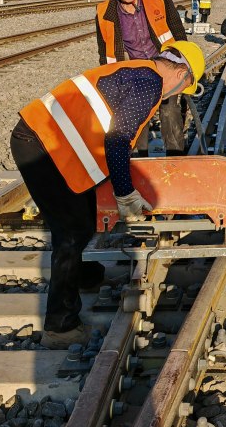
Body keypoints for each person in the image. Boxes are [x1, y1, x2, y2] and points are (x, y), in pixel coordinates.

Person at [11, 42, 205, 349]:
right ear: (182, 74)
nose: (177, 94)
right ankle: (60, 327)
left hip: (45, 141)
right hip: (41, 145)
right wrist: (125, 193)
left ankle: (84, 276)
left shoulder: (139, 71)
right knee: (70, 232)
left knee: (85, 215)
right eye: (184, 87)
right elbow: (118, 139)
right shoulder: (150, 84)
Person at [95, 0, 189, 155]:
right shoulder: (105, 14)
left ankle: (176, 157)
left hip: (165, 64)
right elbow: (105, 53)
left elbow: (177, 28)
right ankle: (139, 160)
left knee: (169, 111)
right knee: (138, 115)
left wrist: (182, 60)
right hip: (136, 70)